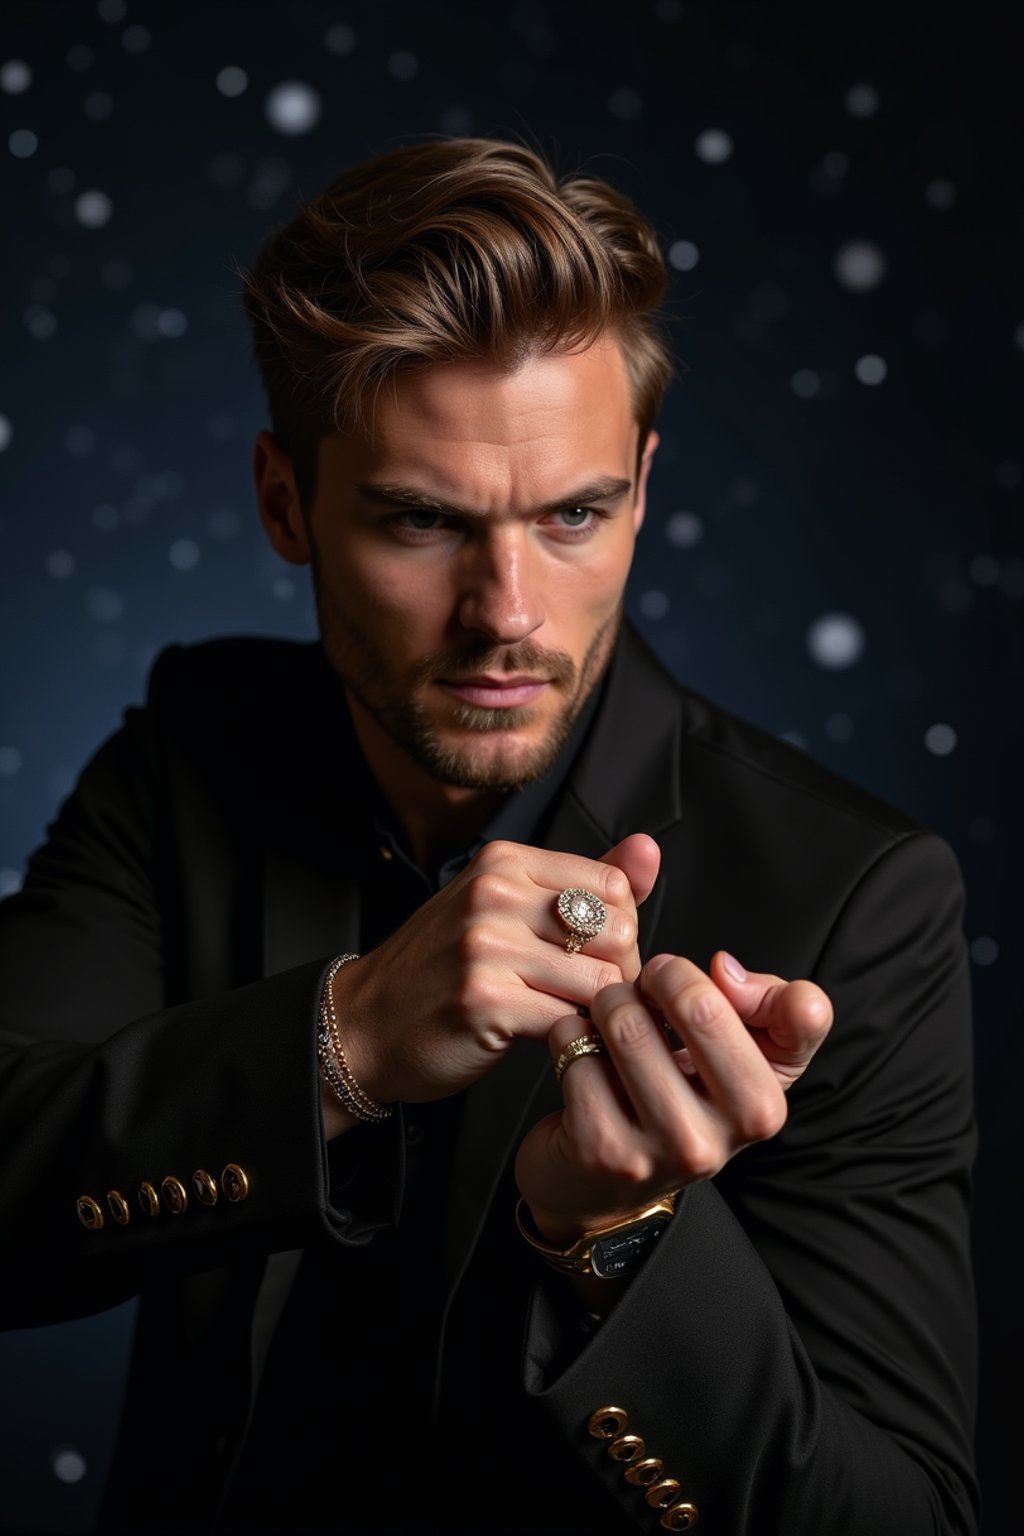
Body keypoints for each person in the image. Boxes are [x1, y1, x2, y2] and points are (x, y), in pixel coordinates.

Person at [0, 138, 978, 1536]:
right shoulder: (192, 750)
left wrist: (620, 1240)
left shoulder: (855, 900)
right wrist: (343, 1046)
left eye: (574, 514)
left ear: (642, 489)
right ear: (286, 504)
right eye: (421, 521)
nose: (507, 612)